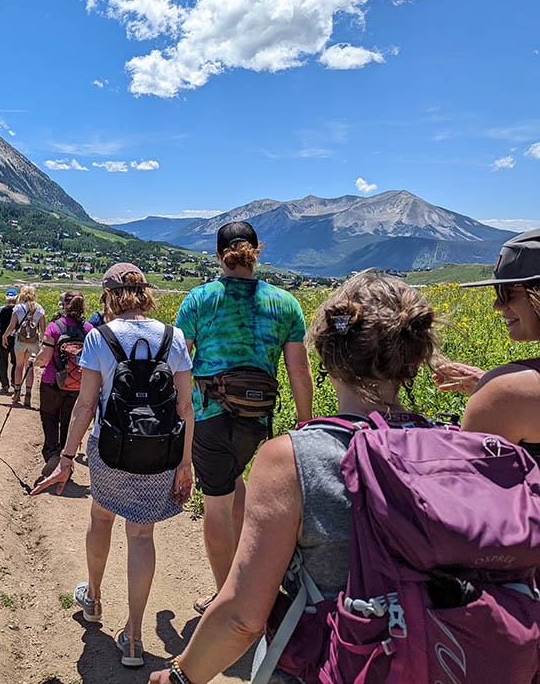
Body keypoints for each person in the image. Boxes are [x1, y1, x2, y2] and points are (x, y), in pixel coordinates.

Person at [149, 271, 440, 684]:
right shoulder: (452, 443)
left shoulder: (291, 460)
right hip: (430, 659)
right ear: (413, 358)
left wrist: (178, 676)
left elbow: (242, 620)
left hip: (332, 662)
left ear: (328, 354)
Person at [32, 263, 195, 669]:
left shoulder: (99, 338)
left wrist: (65, 458)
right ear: (145, 293)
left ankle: (94, 599)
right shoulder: (173, 338)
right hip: (160, 453)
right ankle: (135, 637)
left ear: (108, 295)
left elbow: (86, 406)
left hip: (110, 449)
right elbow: (186, 408)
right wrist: (185, 463)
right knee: (142, 536)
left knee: (100, 518)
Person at [175, 221, 313, 615]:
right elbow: (298, 372)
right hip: (257, 419)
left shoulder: (200, 300)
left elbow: (179, 363)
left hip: (210, 415)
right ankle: (243, 578)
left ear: (219, 255)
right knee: (233, 483)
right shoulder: (285, 303)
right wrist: (305, 427)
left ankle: (227, 601)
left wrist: (177, 414)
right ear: (257, 251)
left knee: (216, 503)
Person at [437, 229, 540, 459]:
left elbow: (466, 487)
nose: (498, 305)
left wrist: (498, 391)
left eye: (507, 291)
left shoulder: (504, 394)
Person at [34, 290, 92, 477]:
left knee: (49, 417)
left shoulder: (54, 327)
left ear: (64, 306)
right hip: (77, 385)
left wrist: (33, 362)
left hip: (52, 381)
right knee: (69, 421)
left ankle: (52, 453)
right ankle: (65, 458)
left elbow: (44, 357)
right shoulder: (89, 329)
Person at [1, 285, 46, 408]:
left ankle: (16, 393)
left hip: (20, 342)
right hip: (34, 343)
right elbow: (43, 330)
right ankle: (28, 394)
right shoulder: (40, 309)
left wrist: (4, 337)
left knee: (19, 367)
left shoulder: (18, 308)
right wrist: (43, 344)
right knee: (30, 368)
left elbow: (11, 327)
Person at [0, 288, 20, 394]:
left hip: (4, 338)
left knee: (2, 362)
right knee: (16, 362)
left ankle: (4, 385)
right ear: (16, 298)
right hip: (16, 339)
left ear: (6, 298)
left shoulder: (1, 309)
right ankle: (14, 380)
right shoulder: (19, 309)